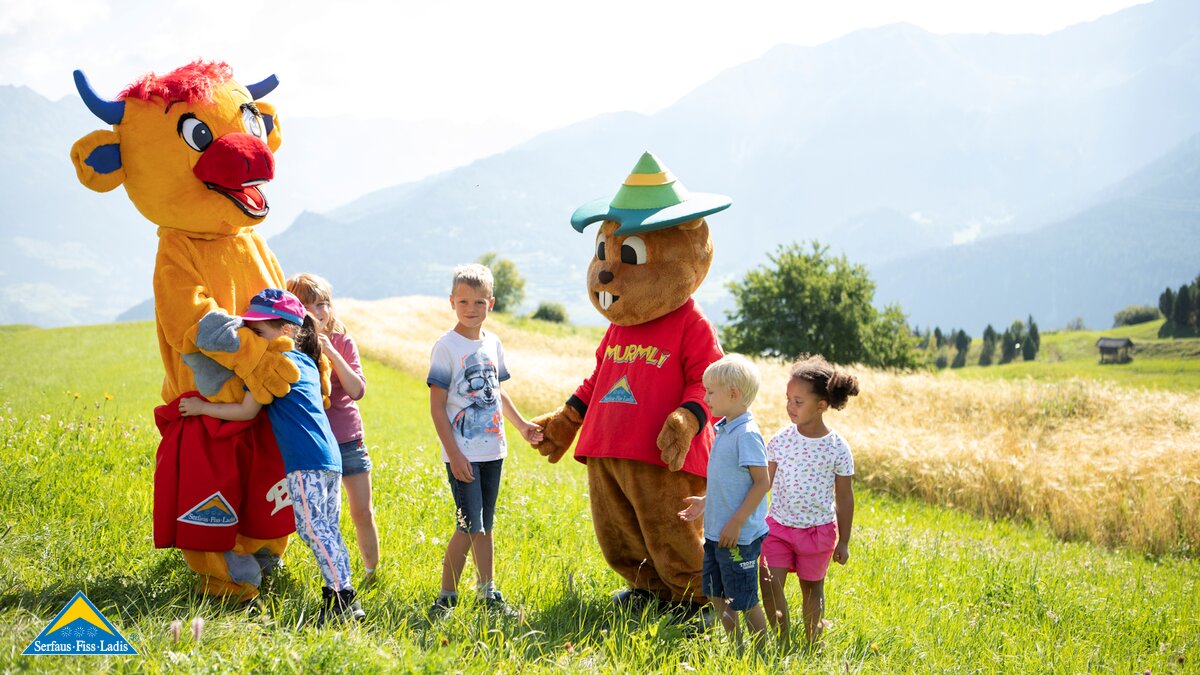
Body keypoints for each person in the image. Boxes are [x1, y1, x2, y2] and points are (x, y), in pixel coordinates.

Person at [178, 288, 365, 624]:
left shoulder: (272, 364)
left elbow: (247, 412)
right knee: (327, 530)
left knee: (311, 528)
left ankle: (341, 599)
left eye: (259, 332)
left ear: (286, 329)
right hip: (330, 457)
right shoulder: (307, 361)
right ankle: (345, 594)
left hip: (306, 460)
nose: (254, 340)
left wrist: (200, 406)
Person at [426, 264, 542, 618]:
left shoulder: (493, 343)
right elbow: (436, 408)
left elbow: (497, 393)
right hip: (463, 455)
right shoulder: (446, 347)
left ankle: (487, 593)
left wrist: (522, 426)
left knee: (485, 525)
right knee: (467, 524)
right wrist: (455, 454)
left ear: (490, 303)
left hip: (494, 451)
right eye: (463, 301)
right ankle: (446, 597)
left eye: (478, 301)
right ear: (451, 302)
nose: (471, 308)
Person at [758, 354, 858, 650]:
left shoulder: (838, 448)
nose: (790, 406)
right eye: (788, 399)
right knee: (767, 582)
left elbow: (844, 498)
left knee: (812, 589)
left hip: (818, 533)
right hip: (777, 528)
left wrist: (845, 541)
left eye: (798, 401)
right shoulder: (779, 440)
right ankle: (782, 640)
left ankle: (812, 646)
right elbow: (763, 484)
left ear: (822, 405)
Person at [287, 273, 380, 584]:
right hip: (313, 444)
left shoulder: (341, 340)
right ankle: (337, 574)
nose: (317, 311)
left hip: (347, 439)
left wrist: (332, 352)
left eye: (323, 304)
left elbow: (357, 390)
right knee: (324, 518)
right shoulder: (291, 345)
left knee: (362, 512)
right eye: (307, 305)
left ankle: (371, 575)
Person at [678, 354, 771, 649]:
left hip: (737, 536)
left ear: (733, 394)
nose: (705, 397)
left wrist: (736, 522)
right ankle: (736, 648)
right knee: (717, 594)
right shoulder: (724, 429)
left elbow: (762, 482)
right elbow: (732, 483)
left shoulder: (747, 434)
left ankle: (761, 651)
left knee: (744, 598)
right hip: (717, 533)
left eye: (710, 392)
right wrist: (707, 501)